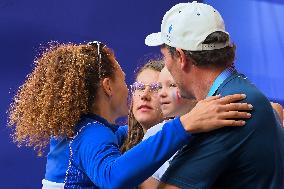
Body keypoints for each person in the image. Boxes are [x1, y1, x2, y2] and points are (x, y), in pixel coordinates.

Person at [7, 41, 252, 189]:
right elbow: (113, 177)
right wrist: (185, 125)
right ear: (108, 87)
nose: (135, 92)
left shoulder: (85, 130)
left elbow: (130, 134)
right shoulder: (91, 134)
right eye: (126, 81)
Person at [145, 2, 284, 188]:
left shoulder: (225, 109)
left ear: (181, 57)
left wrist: (124, 168)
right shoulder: (240, 93)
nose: (165, 65)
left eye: (165, 57)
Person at [121, 59, 165, 152]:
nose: (145, 95)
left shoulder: (182, 151)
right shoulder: (119, 144)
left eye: (156, 88)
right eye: (140, 88)